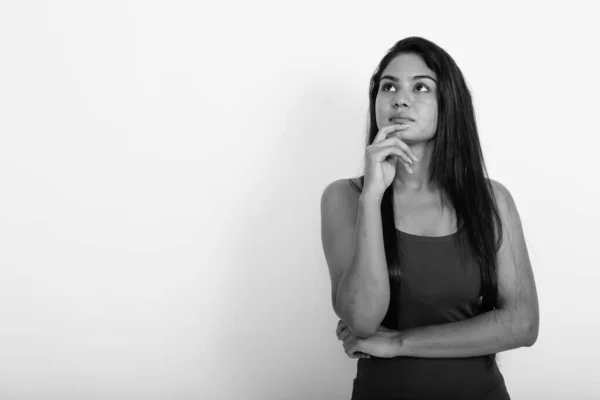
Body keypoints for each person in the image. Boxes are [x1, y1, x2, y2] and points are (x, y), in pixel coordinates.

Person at [320, 36, 539, 400]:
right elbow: (361, 319)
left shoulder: (492, 200)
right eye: (388, 86)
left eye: (421, 87)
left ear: (448, 103)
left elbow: (523, 323)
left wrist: (400, 342)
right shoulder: (345, 197)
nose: (400, 98)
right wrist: (373, 196)